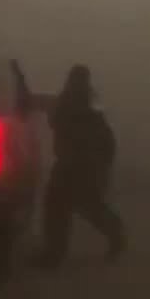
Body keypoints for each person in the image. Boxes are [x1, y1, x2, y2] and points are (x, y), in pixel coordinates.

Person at [29, 64, 127, 268]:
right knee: (84, 207)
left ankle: (54, 253)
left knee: (61, 208)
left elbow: (55, 118)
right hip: (80, 166)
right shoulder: (88, 104)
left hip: (75, 166)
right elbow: (107, 139)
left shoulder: (75, 104)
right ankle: (115, 235)